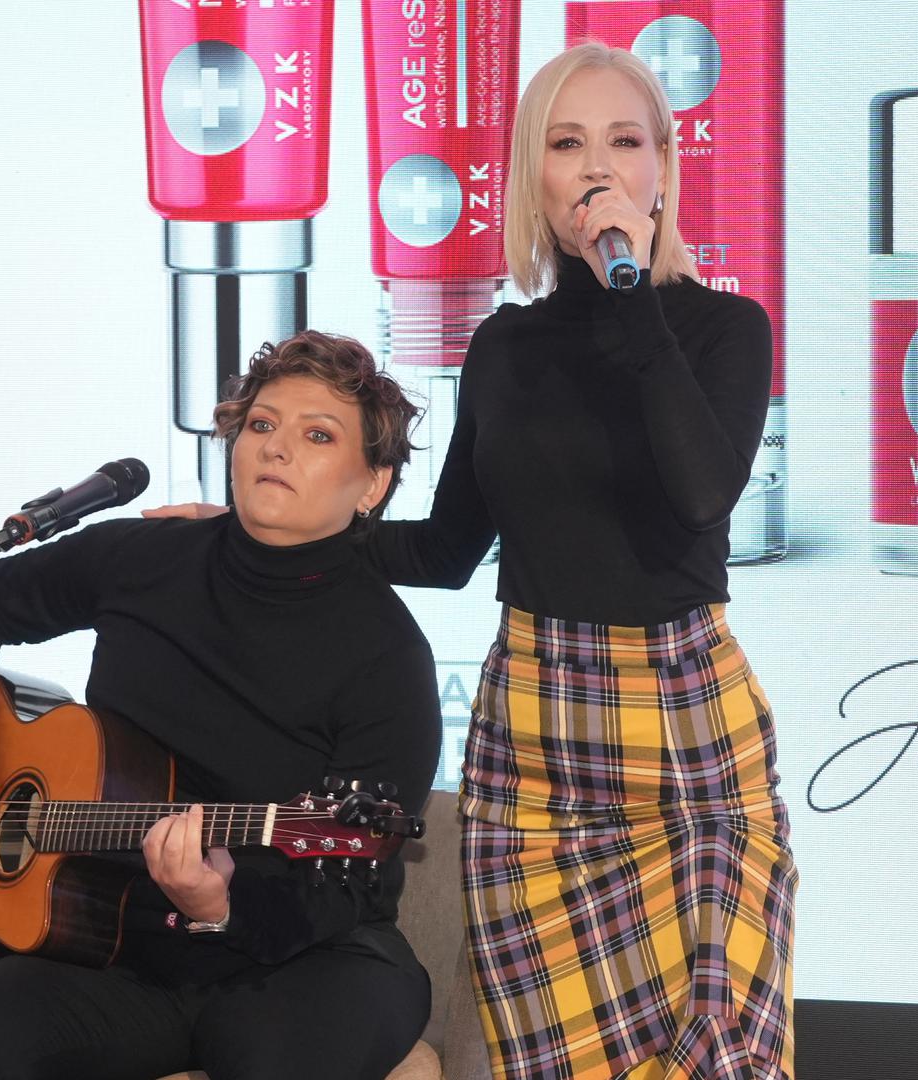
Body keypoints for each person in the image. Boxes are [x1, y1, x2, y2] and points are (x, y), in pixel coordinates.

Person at [152, 42, 796, 1080]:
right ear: (532, 177)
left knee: (723, 1049)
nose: (598, 169)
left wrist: (633, 298)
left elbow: (699, 495)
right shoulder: (504, 347)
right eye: (567, 144)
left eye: (625, 143)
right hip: (535, 737)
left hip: (684, 729)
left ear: (663, 169)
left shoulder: (724, 329)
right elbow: (447, 549)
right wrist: (248, 535)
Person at [0, 331, 442, 1080]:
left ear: (372, 486)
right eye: (262, 424)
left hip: (311, 958)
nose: (276, 448)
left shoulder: (388, 655)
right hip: (123, 945)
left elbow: (343, 889)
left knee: (268, 1059)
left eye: (317, 435)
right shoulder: (145, 558)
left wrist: (219, 906)